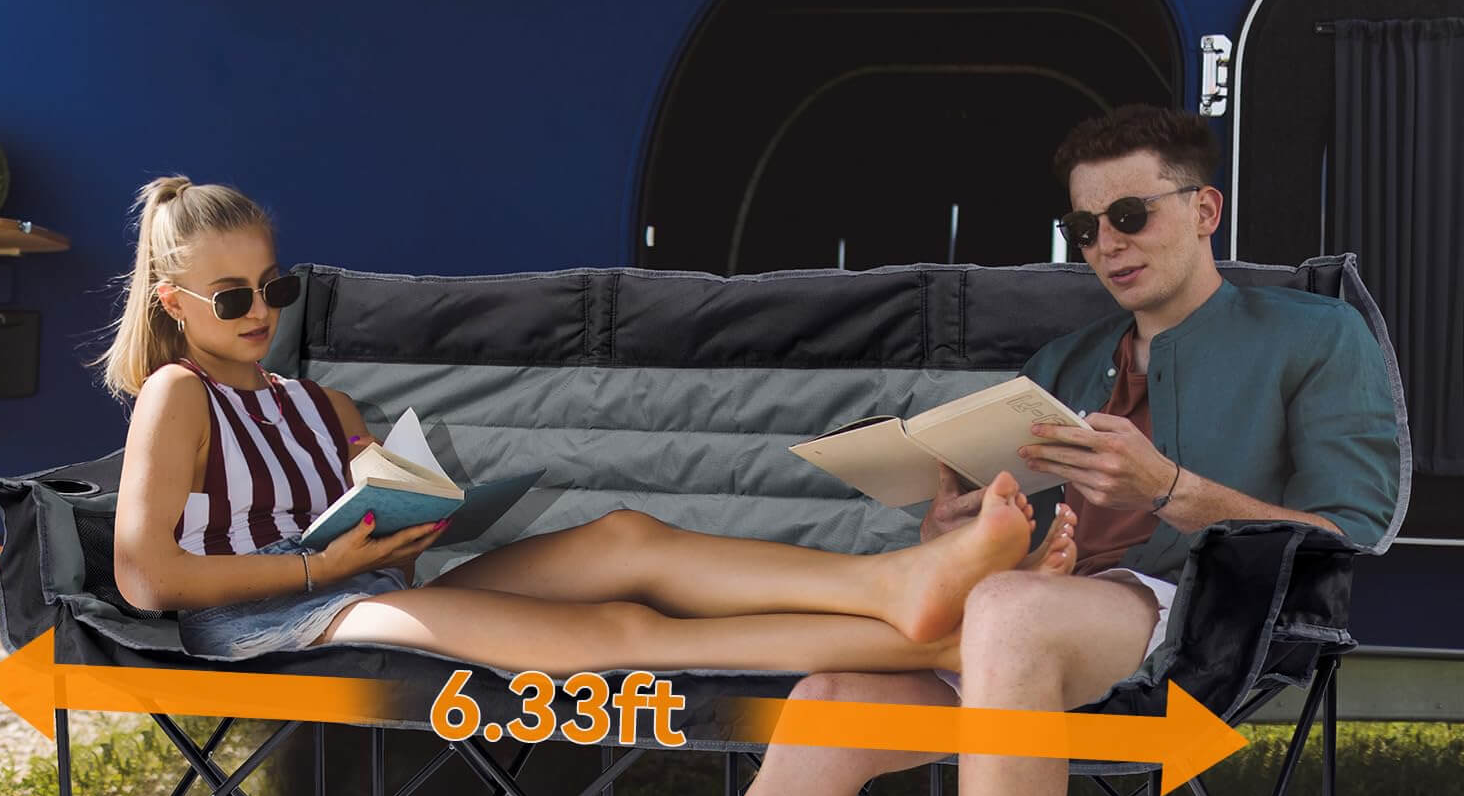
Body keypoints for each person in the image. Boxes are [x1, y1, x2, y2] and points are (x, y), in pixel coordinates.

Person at [481, 105, 1400, 796]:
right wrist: (964, 522)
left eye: (1131, 215)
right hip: (1034, 621)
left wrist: (1174, 486)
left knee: (1002, 609)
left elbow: (1349, 527)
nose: (1107, 245)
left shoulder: (1314, 338)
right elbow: (1028, 531)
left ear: (1204, 208)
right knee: (833, 698)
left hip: (1196, 622)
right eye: (1085, 228)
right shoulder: (1070, 357)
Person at [107, 176, 1078, 679]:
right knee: (619, 631)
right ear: (174, 301)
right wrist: (320, 569)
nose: (258, 309)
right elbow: (150, 574)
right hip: (273, 615)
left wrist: (414, 524)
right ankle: (946, 647)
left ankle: (895, 585)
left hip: (358, 581)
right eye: (231, 294)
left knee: (624, 536)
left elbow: (393, 524)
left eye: (273, 287)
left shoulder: (325, 406)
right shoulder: (178, 396)